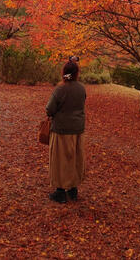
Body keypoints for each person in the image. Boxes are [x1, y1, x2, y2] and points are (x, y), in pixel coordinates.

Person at [46, 60, 86, 203]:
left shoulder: (60, 89)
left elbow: (49, 109)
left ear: (64, 72)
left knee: (59, 160)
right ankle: (73, 189)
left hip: (62, 130)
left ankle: (60, 191)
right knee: (75, 159)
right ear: (76, 73)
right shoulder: (82, 89)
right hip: (77, 130)